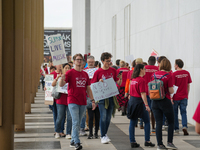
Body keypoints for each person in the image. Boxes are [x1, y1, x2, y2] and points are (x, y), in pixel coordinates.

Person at [59, 53, 96, 150]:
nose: (79, 61)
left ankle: (72, 141)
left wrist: (92, 100)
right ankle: (77, 142)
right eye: (77, 59)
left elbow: (88, 88)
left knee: (78, 123)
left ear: (83, 62)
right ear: (74, 61)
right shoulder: (69, 73)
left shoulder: (85, 74)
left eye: (81, 59)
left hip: (83, 101)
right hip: (72, 101)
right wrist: (61, 78)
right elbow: (61, 84)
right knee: (75, 122)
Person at [91, 52, 122, 144]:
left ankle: (105, 134)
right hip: (102, 97)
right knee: (103, 117)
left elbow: (118, 83)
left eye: (110, 61)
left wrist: (120, 78)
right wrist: (99, 82)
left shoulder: (113, 70)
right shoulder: (98, 72)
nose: (109, 63)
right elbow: (93, 84)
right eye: (107, 61)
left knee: (108, 117)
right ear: (102, 61)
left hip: (111, 96)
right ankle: (103, 135)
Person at [151, 58, 177, 150]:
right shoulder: (168, 76)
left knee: (158, 123)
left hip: (154, 101)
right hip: (165, 100)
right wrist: (173, 89)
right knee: (171, 122)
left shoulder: (153, 75)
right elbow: (170, 90)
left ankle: (160, 145)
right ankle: (170, 142)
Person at [127, 64, 155, 148]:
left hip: (132, 101)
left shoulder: (133, 79)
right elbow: (143, 93)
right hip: (139, 102)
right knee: (146, 121)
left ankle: (132, 141)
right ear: (140, 70)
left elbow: (130, 91)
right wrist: (146, 105)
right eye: (144, 69)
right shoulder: (141, 80)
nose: (145, 70)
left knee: (132, 122)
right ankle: (147, 140)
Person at [52, 63, 72, 139]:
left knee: (70, 117)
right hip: (60, 100)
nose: (67, 69)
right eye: (66, 68)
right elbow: (53, 84)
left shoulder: (71, 77)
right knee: (60, 117)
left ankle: (68, 133)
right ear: (63, 69)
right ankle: (57, 131)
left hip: (70, 99)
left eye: (68, 67)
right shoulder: (60, 76)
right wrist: (57, 78)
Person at [172, 59, 192, 135]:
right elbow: (188, 85)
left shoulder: (174, 74)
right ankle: (184, 126)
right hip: (184, 96)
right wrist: (187, 95)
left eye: (174, 64)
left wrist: (171, 97)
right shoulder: (187, 73)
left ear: (177, 65)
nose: (174, 65)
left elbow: (173, 87)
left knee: (175, 113)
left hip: (176, 97)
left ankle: (176, 129)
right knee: (184, 112)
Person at [84, 55, 100, 139]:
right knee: (90, 116)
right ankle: (90, 133)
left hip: (98, 95)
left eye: (92, 62)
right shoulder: (84, 71)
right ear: (87, 62)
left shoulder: (97, 71)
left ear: (94, 62)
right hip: (88, 96)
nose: (91, 63)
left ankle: (96, 133)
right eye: (89, 62)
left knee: (97, 116)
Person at [143, 56, 159, 134]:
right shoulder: (157, 68)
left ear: (148, 61)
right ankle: (153, 127)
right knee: (154, 110)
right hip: (154, 91)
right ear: (155, 61)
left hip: (145, 91)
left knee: (147, 110)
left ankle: (147, 127)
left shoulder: (144, 67)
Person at [50, 65, 66, 137]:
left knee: (62, 115)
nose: (60, 66)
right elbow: (49, 85)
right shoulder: (51, 74)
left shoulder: (65, 74)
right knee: (55, 114)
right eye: (59, 65)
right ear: (56, 65)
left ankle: (61, 130)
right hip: (53, 97)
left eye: (61, 65)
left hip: (61, 97)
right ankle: (57, 129)